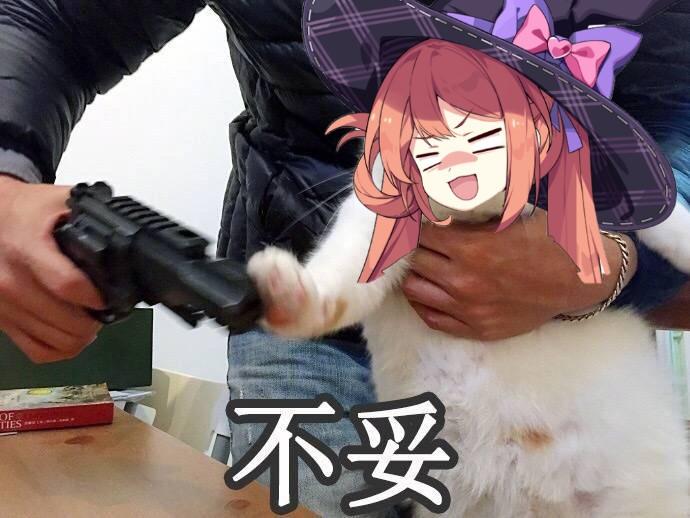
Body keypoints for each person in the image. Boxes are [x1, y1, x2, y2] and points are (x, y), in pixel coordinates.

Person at [0, 0, 686, 516]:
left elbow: (673, 151)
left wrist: (609, 263)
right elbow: (54, 19)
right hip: (313, 354)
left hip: (572, 385)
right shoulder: (383, 182)